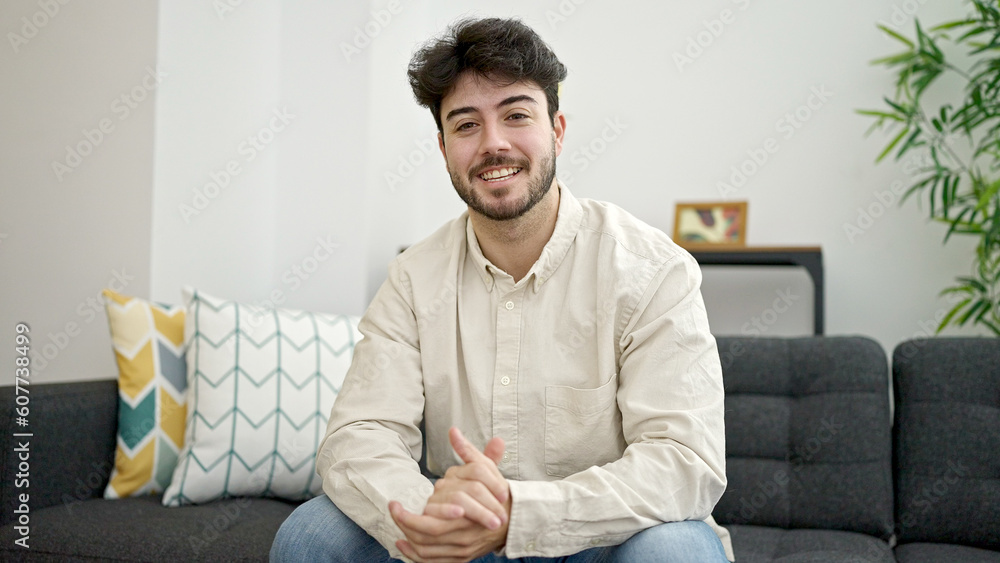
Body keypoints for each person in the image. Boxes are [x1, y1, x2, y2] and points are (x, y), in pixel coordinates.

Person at [271, 17, 733, 563]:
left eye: (516, 115)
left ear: (557, 129)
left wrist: (520, 516)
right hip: (459, 545)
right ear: (443, 148)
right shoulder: (413, 280)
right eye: (466, 126)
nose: (493, 144)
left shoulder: (652, 271)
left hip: (604, 541)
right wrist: (433, 516)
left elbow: (683, 461)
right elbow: (360, 436)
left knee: (675, 551)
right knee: (312, 534)